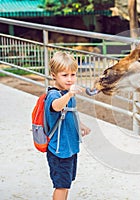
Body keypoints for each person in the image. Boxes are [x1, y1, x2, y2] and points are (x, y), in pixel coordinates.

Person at [45, 51, 91, 200]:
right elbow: (56, 107)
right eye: (65, 75)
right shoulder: (55, 95)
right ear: (54, 75)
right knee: (61, 186)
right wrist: (69, 95)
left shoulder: (66, 93)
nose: (70, 79)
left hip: (69, 148)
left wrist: (80, 124)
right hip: (59, 150)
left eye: (73, 75)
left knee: (66, 184)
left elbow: (70, 113)